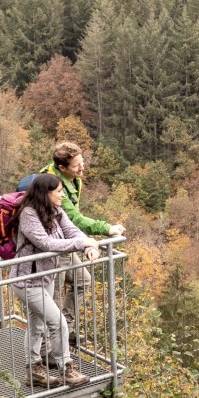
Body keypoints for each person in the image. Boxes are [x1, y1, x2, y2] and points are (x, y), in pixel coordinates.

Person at [11, 173, 98, 387]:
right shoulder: (28, 215)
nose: (61, 195)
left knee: (37, 324)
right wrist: (82, 244)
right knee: (57, 323)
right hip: (27, 280)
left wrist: (87, 244)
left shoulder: (55, 211)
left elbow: (71, 231)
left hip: (46, 277)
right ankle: (66, 369)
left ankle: (34, 371)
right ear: (45, 193)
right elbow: (46, 243)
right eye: (58, 191)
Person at [37, 142, 124, 347]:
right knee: (53, 297)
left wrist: (86, 243)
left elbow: (69, 222)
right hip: (53, 248)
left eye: (82, 162)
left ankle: (65, 328)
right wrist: (106, 228)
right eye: (77, 165)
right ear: (62, 168)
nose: (82, 168)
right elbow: (73, 218)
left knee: (82, 280)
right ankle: (48, 348)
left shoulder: (73, 181)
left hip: (67, 243)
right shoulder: (52, 186)